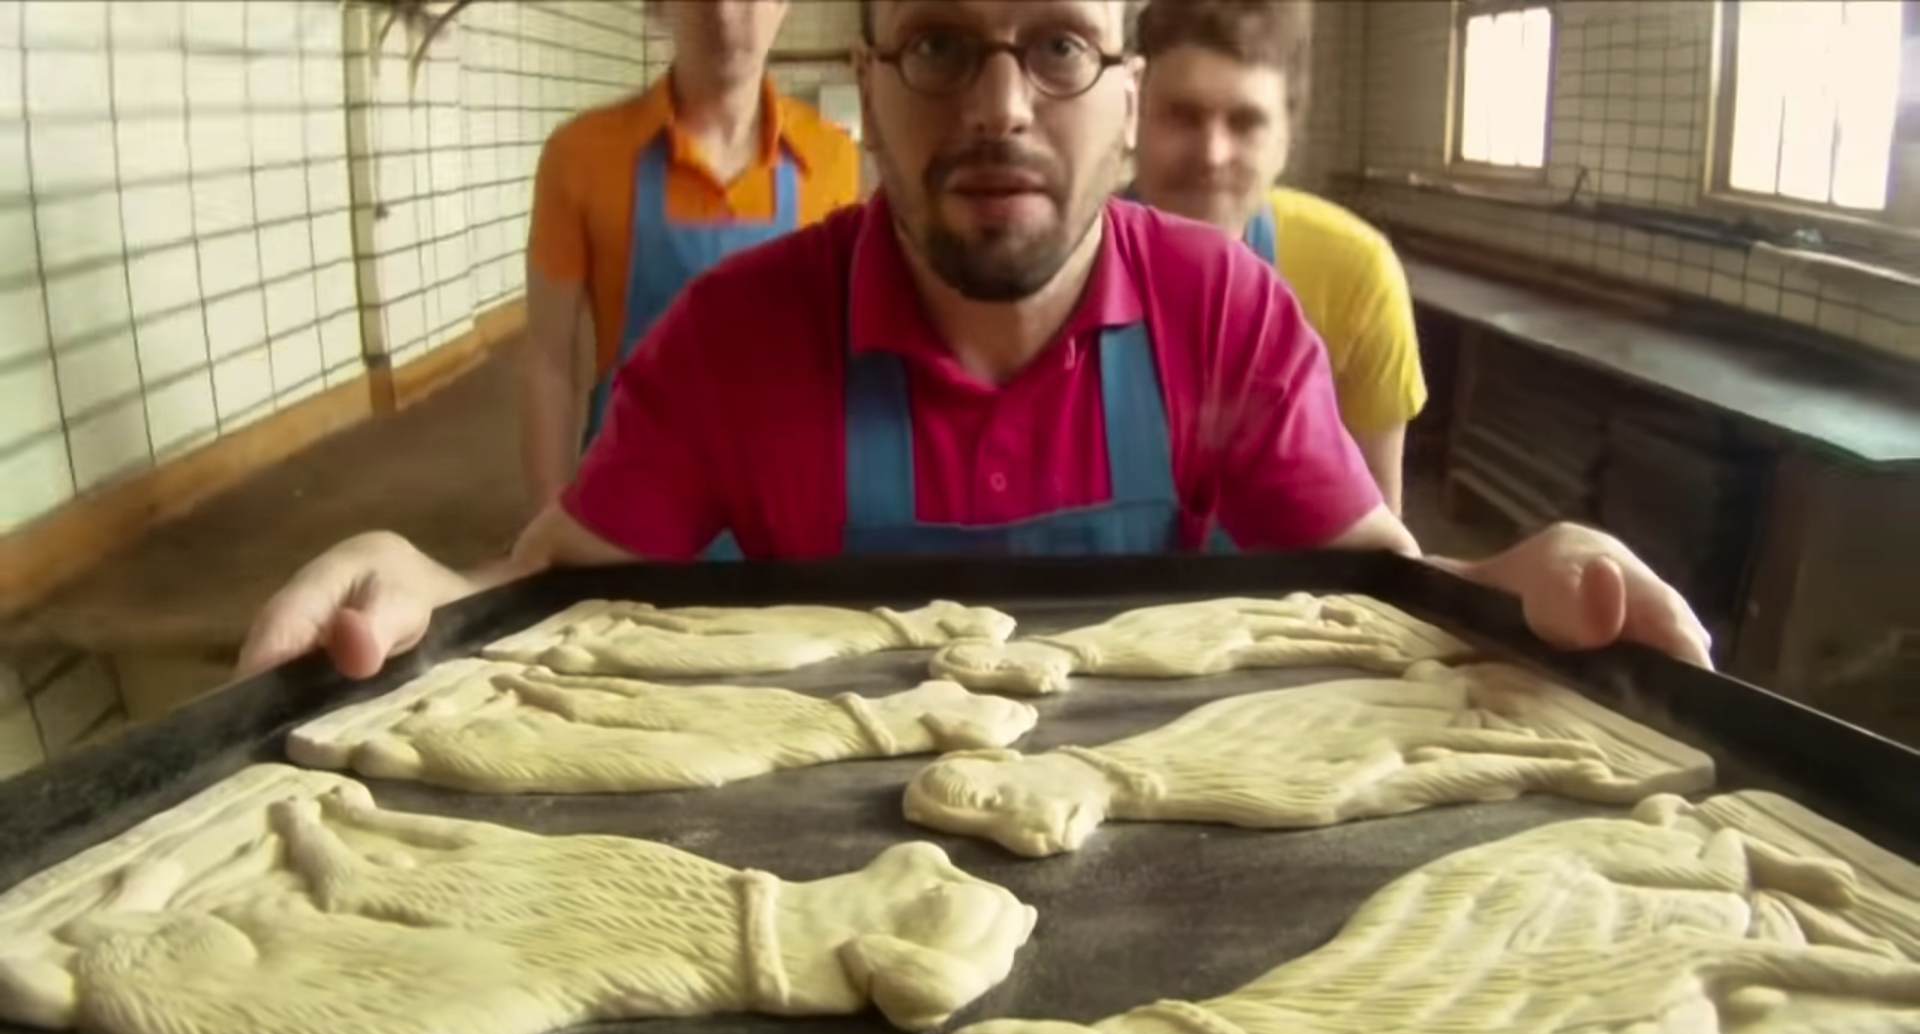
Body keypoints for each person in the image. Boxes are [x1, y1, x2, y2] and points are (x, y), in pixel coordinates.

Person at [240, 0, 1710, 681]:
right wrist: (428, 586)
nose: (1000, 107)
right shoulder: (735, 338)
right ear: (868, 86)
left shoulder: (1228, 316)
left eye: (1059, 46)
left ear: (1124, 94)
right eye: (941, 45)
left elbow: (1376, 590)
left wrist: (1508, 582)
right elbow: (550, 591)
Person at [520, 0, 861, 510]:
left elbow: (844, 355)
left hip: (781, 507)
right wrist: (551, 518)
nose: (725, 13)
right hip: (628, 504)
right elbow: (550, 357)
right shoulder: (581, 156)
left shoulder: (831, 158)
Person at [1132, 0, 1423, 513]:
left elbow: (1378, 538)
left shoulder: (1354, 277)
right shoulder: (1060, 268)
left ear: (1287, 138)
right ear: (1131, 115)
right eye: (1182, 116)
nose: (1211, 154)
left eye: (1245, 122)